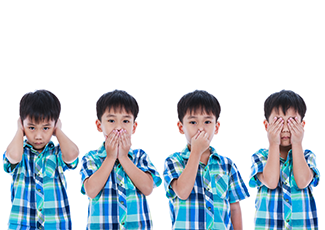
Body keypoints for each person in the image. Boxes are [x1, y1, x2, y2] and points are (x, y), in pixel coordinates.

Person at [163, 90, 250, 230]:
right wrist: (196, 152)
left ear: (216, 127)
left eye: (207, 121)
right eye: (193, 122)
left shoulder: (227, 165)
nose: (201, 128)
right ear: (181, 127)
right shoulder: (173, 161)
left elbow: (234, 208)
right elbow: (182, 192)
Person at [80, 90, 162, 230]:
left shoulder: (140, 156)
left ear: (133, 127)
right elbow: (91, 191)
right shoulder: (91, 158)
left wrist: (123, 157)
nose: (118, 128)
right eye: (111, 121)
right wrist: (111, 157)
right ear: (100, 125)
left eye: (125, 121)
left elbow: (148, 188)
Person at [3, 89, 79, 230]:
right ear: (22, 124)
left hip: (56, 224)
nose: (38, 136)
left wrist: (58, 131)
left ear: (55, 125)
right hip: (22, 224)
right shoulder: (19, 152)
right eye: (31, 127)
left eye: (46, 128)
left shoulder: (57, 154)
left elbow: (73, 154)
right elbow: (13, 156)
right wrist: (19, 130)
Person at [249, 90, 320, 230]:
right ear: (266, 125)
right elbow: (271, 181)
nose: (286, 129)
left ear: (302, 125)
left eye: (292, 121)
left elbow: (302, 182)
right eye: (278, 122)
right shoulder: (260, 156)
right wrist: (273, 143)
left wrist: (297, 143)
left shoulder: (307, 157)